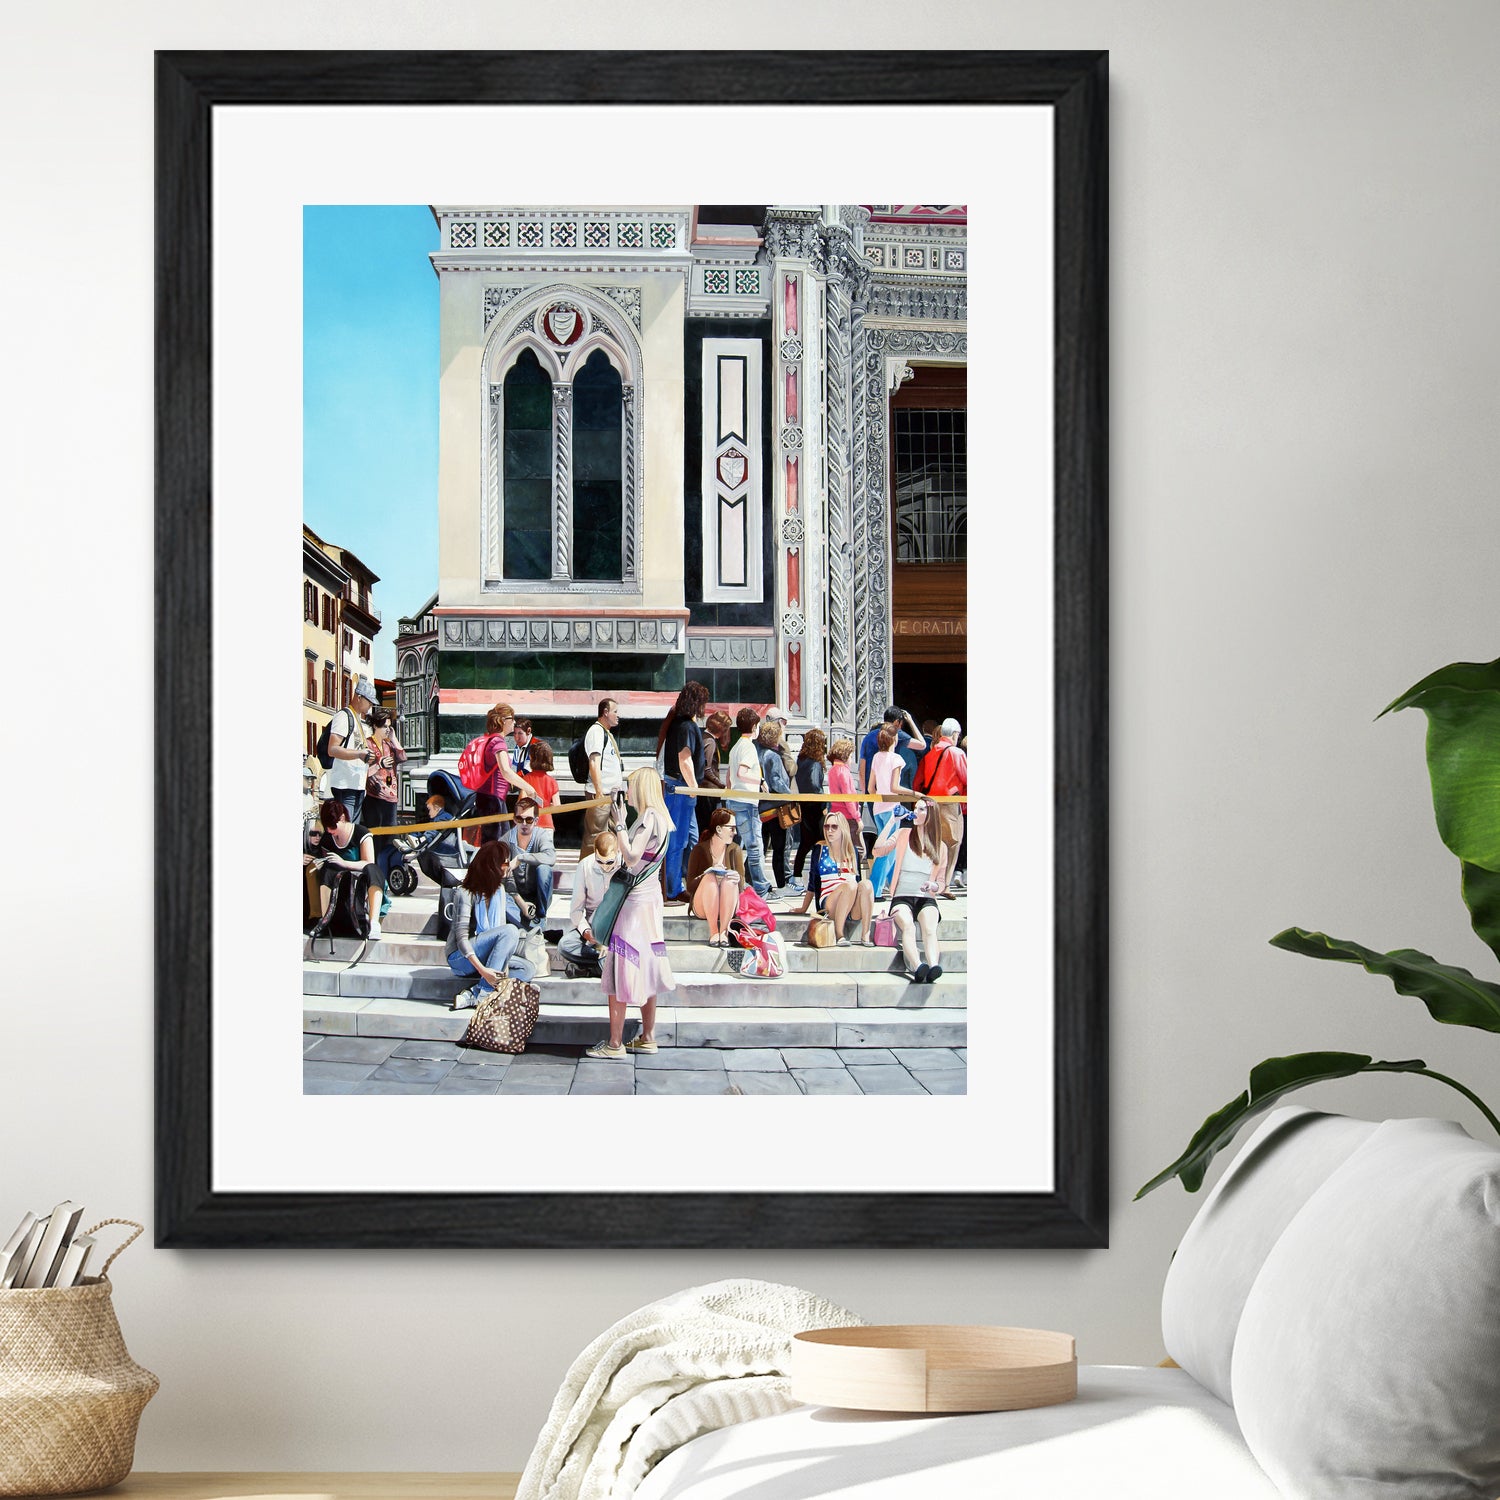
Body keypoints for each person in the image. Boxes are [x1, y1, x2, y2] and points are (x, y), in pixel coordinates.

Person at [589, 767, 676, 1059]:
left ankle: (615, 1044)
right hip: (650, 902)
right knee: (648, 967)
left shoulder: (649, 817)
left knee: (622, 968)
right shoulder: (663, 819)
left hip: (634, 904)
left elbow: (632, 855)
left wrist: (620, 825)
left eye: (631, 786)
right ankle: (648, 1036)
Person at [445, 841, 530, 1011]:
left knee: (527, 970)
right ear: (492, 866)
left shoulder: (499, 891)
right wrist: (484, 971)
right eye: (505, 862)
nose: (509, 866)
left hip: (487, 955)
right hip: (461, 958)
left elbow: (501, 937)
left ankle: (473, 993)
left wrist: (502, 966)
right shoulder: (465, 892)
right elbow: (461, 939)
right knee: (511, 931)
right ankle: (484, 992)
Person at [873, 796, 946, 983]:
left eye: (922, 809)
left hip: (926, 897)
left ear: (931, 815)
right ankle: (917, 966)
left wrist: (934, 886)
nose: (916, 812)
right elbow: (877, 850)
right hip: (902, 897)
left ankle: (933, 965)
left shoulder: (940, 846)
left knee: (930, 928)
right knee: (908, 926)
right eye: (916, 808)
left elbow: (942, 883)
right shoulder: (904, 834)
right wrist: (891, 822)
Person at [657, 681, 708, 901]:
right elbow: (684, 758)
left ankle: (679, 881)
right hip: (680, 787)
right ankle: (672, 888)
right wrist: (693, 788)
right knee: (678, 841)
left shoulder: (677, 722)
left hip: (676, 785)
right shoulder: (687, 726)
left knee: (688, 838)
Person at [793, 809, 875, 945]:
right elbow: (813, 884)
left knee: (866, 884)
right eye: (827, 826)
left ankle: (866, 934)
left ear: (842, 829)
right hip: (829, 903)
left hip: (851, 904)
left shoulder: (852, 851)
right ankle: (839, 934)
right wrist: (803, 908)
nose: (829, 830)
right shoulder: (819, 850)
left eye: (834, 827)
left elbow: (859, 883)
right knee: (850, 885)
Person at [304, 798, 382, 940]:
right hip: (337, 882)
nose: (329, 831)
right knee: (324, 871)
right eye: (327, 827)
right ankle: (324, 919)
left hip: (360, 880)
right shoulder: (328, 838)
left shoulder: (361, 832)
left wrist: (344, 863)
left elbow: (369, 863)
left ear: (342, 818)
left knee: (374, 871)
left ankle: (374, 922)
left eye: (332, 826)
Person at [857, 705, 926, 852]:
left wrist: (866, 796)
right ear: (897, 722)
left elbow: (861, 767)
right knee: (890, 844)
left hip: (874, 798)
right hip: (891, 800)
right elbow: (922, 744)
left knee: (881, 838)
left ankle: (882, 872)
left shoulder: (869, 737)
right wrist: (911, 721)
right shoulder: (896, 735)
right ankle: (883, 875)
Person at [916, 716, 968, 897]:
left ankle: (930, 881)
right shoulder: (957, 753)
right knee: (953, 842)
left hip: (931, 803)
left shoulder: (930, 754)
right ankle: (943, 885)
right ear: (954, 734)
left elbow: (918, 781)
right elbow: (967, 778)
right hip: (950, 803)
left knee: (934, 843)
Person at [558, 830, 621, 976]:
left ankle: (589, 970)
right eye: (600, 862)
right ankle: (607, 964)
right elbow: (576, 910)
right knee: (565, 945)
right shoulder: (585, 865)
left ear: (617, 852)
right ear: (594, 853)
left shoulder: (626, 866)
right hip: (593, 928)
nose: (605, 866)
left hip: (618, 929)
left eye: (610, 862)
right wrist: (586, 932)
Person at [363, 708, 406, 917]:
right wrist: (379, 763)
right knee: (377, 842)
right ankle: (377, 884)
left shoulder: (389, 744)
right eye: (385, 726)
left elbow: (403, 757)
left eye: (390, 726)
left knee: (390, 841)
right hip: (374, 799)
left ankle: (386, 882)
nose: (388, 729)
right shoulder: (368, 744)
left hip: (391, 797)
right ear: (376, 726)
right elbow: (364, 772)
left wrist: (395, 738)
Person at [684, 806, 746, 947]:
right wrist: (707, 874)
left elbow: (742, 884)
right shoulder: (699, 850)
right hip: (703, 906)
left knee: (730, 881)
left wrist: (738, 878)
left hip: (728, 905)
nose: (735, 832)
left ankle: (723, 932)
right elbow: (689, 886)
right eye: (731, 828)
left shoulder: (734, 849)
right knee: (710, 878)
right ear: (719, 829)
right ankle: (714, 932)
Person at [726, 707, 772, 899]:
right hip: (746, 802)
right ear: (754, 726)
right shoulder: (749, 748)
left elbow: (730, 776)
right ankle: (761, 887)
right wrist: (760, 782)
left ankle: (733, 884)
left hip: (733, 800)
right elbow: (741, 773)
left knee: (732, 846)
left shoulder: (736, 747)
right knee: (754, 847)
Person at [477, 703, 532, 844]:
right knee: (497, 842)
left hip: (489, 797)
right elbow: (506, 771)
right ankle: (491, 866)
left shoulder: (490, 739)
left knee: (496, 841)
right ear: (502, 720)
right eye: (512, 718)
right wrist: (528, 788)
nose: (514, 722)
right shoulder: (498, 743)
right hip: (493, 799)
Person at [325, 677, 378, 823]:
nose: (370, 706)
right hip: (345, 785)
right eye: (369, 701)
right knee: (345, 828)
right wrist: (359, 754)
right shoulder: (343, 716)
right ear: (359, 697)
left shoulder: (357, 720)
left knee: (351, 830)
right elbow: (332, 749)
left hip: (357, 785)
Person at [867, 723, 909, 899]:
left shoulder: (877, 757)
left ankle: (896, 886)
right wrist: (914, 793)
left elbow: (870, 788)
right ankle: (875, 890)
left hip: (878, 808)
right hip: (892, 808)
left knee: (889, 849)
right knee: (887, 851)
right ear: (894, 739)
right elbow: (895, 786)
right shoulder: (896, 759)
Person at [500, 794, 555, 930]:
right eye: (520, 819)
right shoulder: (505, 840)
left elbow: (551, 857)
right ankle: (522, 924)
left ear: (536, 821)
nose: (524, 824)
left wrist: (521, 858)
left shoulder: (541, 835)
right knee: (498, 891)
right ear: (514, 819)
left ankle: (540, 917)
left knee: (544, 869)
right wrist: (521, 902)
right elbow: (504, 874)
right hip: (515, 896)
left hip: (537, 895)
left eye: (529, 820)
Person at [757, 718, 795, 894]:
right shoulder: (773, 756)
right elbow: (776, 782)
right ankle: (782, 883)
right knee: (780, 849)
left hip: (761, 807)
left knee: (761, 847)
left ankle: (753, 879)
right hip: (776, 808)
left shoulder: (757, 752)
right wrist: (791, 796)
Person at [582, 697, 625, 849]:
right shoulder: (596, 732)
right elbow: (594, 761)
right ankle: (588, 870)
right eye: (615, 712)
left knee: (613, 837)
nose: (618, 715)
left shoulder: (605, 733)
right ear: (605, 712)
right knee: (595, 837)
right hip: (601, 795)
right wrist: (599, 792)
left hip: (612, 795)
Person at [791, 729, 828, 885]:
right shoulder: (815, 763)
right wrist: (824, 805)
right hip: (815, 808)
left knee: (805, 843)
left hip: (804, 805)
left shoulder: (801, 760)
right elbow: (815, 785)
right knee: (821, 842)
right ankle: (819, 875)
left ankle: (797, 874)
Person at [406, 785, 461, 889]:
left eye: (430, 809)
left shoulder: (445, 817)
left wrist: (424, 838)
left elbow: (433, 832)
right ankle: (415, 838)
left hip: (446, 846)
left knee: (430, 834)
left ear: (437, 808)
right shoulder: (438, 818)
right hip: (438, 843)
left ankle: (419, 840)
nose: (428, 812)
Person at [696, 709, 733, 838]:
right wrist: (721, 784)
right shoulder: (710, 742)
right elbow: (707, 769)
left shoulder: (702, 737)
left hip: (703, 791)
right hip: (709, 793)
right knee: (710, 827)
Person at [826, 736, 860, 857]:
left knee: (840, 849)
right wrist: (857, 817)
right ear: (845, 756)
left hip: (836, 814)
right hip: (848, 816)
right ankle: (855, 875)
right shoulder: (844, 772)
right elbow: (848, 797)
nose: (851, 760)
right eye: (850, 756)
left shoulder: (832, 771)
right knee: (855, 851)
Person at [521, 738, 560, 830]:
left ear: (531, 758)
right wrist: (548, 805)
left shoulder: (526, 779)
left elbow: (522, 803)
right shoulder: (552, 782)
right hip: (547, 825)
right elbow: (557, 807)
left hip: (530, 824)